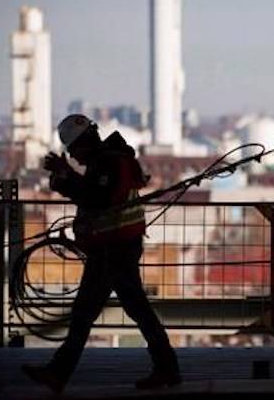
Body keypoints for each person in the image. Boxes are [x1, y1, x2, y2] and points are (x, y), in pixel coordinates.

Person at [22, 114, 181, 393]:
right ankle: (167, 369)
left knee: (89, 313)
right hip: (116, 247)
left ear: (83, 144)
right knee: (130, 311)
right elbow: (96, 193)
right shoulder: (108, 161)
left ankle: (58, 374)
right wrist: (68, 174)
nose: (73, 156)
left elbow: (97, 199)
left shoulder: (110, 163)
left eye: (73, 150)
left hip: (113, 249)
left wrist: (66, 178)